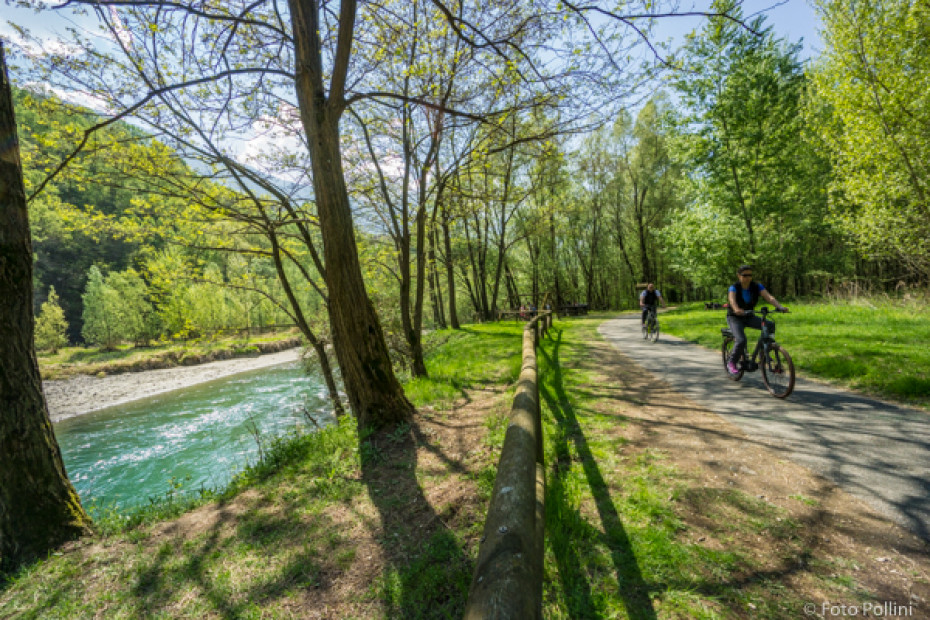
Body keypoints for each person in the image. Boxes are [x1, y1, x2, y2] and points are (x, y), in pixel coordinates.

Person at [726, 264, 788, 374]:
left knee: (769, 324)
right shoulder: (734, 287)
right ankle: (732, 362)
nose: (748, 277)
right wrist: (736, 309)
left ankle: (764, 352)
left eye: (750, 275)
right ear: (739, 276)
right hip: (735, 318)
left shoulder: (756, 286)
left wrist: (780, 307)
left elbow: (769, 297)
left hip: (749, 316)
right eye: (745, 275)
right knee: (741, 340)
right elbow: (732, 300)